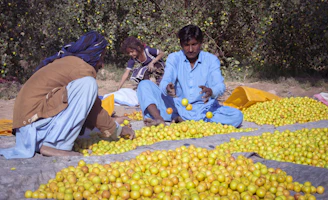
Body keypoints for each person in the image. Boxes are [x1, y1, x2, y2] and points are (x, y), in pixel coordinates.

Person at [0, 31, 135, 159]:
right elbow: (94, 110)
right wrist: (117, 131)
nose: (102, 64)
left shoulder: (68, 63)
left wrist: (111, 124)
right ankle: (55, 145)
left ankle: (51, 141)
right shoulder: (81, 67)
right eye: (102, 57)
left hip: (28, 132)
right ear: (94, 54)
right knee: (88, 84)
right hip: (33, 126)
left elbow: (84, 108)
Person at [137, 25, 243, 127]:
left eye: (194, 44)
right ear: (181, 44)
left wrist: (211, 91)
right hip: (177, 106)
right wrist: (167, 87)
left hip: (203, 109)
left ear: (201, 43)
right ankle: (159, 119)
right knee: (144, 85)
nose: (191, 49)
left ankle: (182, 119)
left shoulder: (211, 60)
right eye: (187, 45)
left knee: (236, 116)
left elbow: (220, 86)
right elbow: (167, 79)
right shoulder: (174, 58)